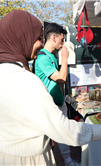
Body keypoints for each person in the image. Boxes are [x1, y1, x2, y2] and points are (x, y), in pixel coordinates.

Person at [0, 10, 101, 166]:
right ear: (21, 38)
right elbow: (62, 128)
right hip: (26, 159)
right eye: (37, 39)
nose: (40, 43)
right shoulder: (25, 79)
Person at [33, 23, 77, 166]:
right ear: (54, 37)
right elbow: (61, 79)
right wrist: (64, 57)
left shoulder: (50, 55)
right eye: (62, 39)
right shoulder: (42, 57)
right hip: (50, 106)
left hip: (57, 103)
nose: (63, 42)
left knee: (62, 133)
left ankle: (68, 160)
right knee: (53, 136)